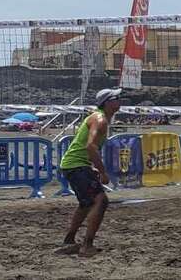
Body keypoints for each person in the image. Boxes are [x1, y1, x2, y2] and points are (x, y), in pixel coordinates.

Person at [57, 88, 121, 257]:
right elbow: (91, 146)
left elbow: (87, 146)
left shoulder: (99, 118)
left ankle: (69, 241)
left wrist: (90, 166)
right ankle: (87, 246)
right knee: (101, 201)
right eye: (116, 98)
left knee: (86, 203)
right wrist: (103, 172)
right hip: (76, 165)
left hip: (75, 164)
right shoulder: (100, 119)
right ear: (107, 103)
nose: (120, 100)